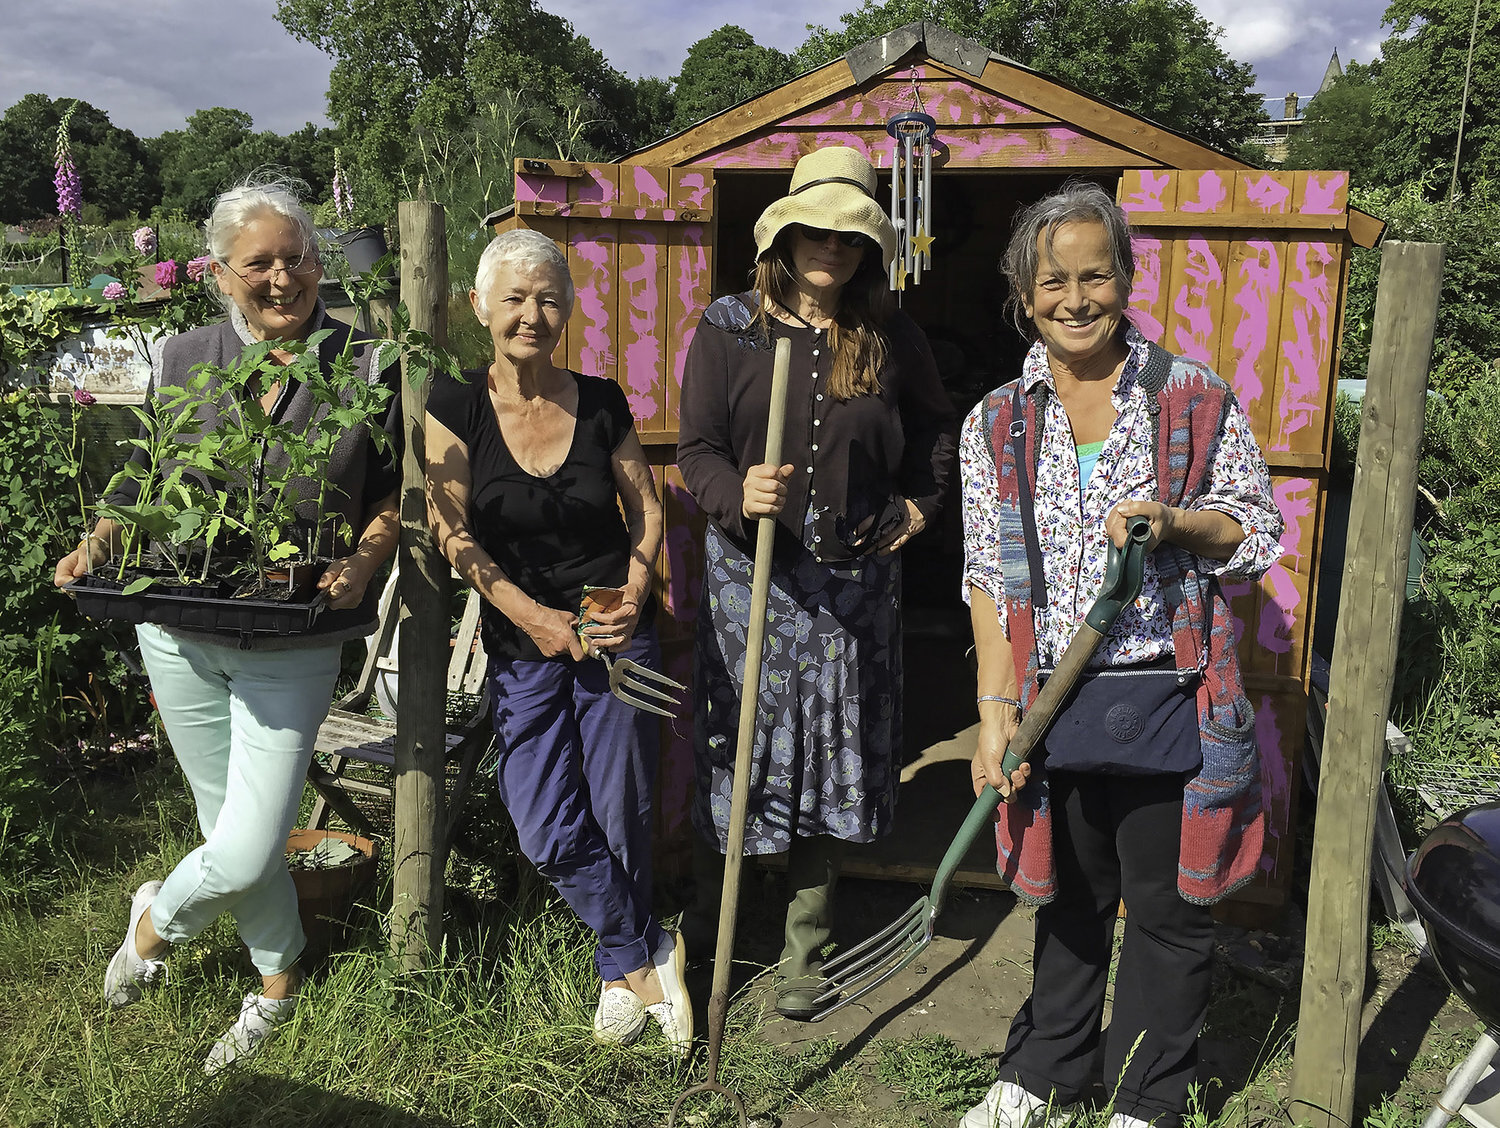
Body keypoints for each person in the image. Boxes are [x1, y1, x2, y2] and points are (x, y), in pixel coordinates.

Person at [53, 177, 402, 1074]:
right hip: (178, 625)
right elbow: (147, 476)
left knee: (245, 847)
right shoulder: (183, 355)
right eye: (260, 264)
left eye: (297, 260)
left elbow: (390, 491)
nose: (282, 279)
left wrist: (363, 562)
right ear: (218, 272)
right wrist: (99, 540)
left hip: (294, 633)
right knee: (226, 827)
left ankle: (153, 925)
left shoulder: (365, 358)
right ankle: (277, 981)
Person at [957, 181, 1285, 1128]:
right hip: (1052, 706)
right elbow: (989, 574)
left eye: (1094, 275)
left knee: (1170, 910)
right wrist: (994, 712)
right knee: (1065, 899)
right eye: (1052, 282)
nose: (1075, 299)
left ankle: (1147, 1094)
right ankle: (1048, 1074)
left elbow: (1257, 529)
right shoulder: (996, 420)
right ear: (1024, 296)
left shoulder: (1190, 395)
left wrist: (1177, 522)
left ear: (1127, 277)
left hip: (1172, 693)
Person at [677, 145, 958, 1018]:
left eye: (849, 234)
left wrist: (918, 506)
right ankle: (716, 928)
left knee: (832, 755)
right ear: (785, 234)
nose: (829, 247)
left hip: (851, 586)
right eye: (815, 229)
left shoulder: (889, 334)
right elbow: (697, 453)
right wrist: (737, 491)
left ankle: (805, 943)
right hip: (750, 581)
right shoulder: (730, 327)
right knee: (744, 745)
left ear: (867, 248)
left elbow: (937, 438)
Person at [424, 228, 691, 1055]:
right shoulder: (456, 401)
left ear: (568, 311)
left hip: (613, 632)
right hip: (522, 642)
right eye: (513, 298)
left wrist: (639, 588)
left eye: (547, 299)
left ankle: (619, 974)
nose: (530, 314)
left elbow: (645, 508)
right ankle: (651, 952)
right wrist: (533, 618)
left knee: (620, 806)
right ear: (480, 309)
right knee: (539, 821)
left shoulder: (601, 399)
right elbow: (451, 529)